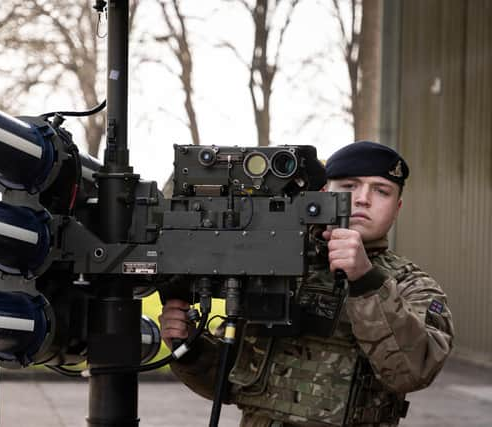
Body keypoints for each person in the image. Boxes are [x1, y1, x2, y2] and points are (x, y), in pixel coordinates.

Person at [159, 141, 455, 427]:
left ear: (397, 207)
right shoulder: (275, 265)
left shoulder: (411, 285)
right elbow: (231, 382)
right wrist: (189, 346)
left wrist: (366, 279)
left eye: (381, 191)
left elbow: (412, 371)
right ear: (324, 193)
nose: (363, 198)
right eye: (349, 187)